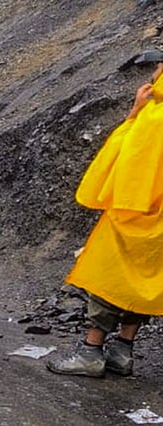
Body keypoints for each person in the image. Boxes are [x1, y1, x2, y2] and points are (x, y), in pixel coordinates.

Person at [46, 64, 163, 378]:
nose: (155, 70)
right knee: (145, 283)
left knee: (108, 277)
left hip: (132, 215)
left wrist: (134, 113)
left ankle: (91, 350)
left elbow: (124, 158)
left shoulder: (154, 117)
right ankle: (123, 350)